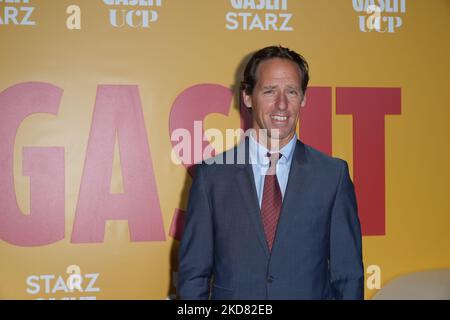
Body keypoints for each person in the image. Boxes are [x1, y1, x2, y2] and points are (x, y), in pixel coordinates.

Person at [178, 45, 364, 300]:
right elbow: (193, 277)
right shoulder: (211, 177)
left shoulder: (332, 176)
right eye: (269, 91)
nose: (282, 105)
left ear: (304, 98)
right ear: (246, 96)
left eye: (292, 92)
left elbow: (348, 276)